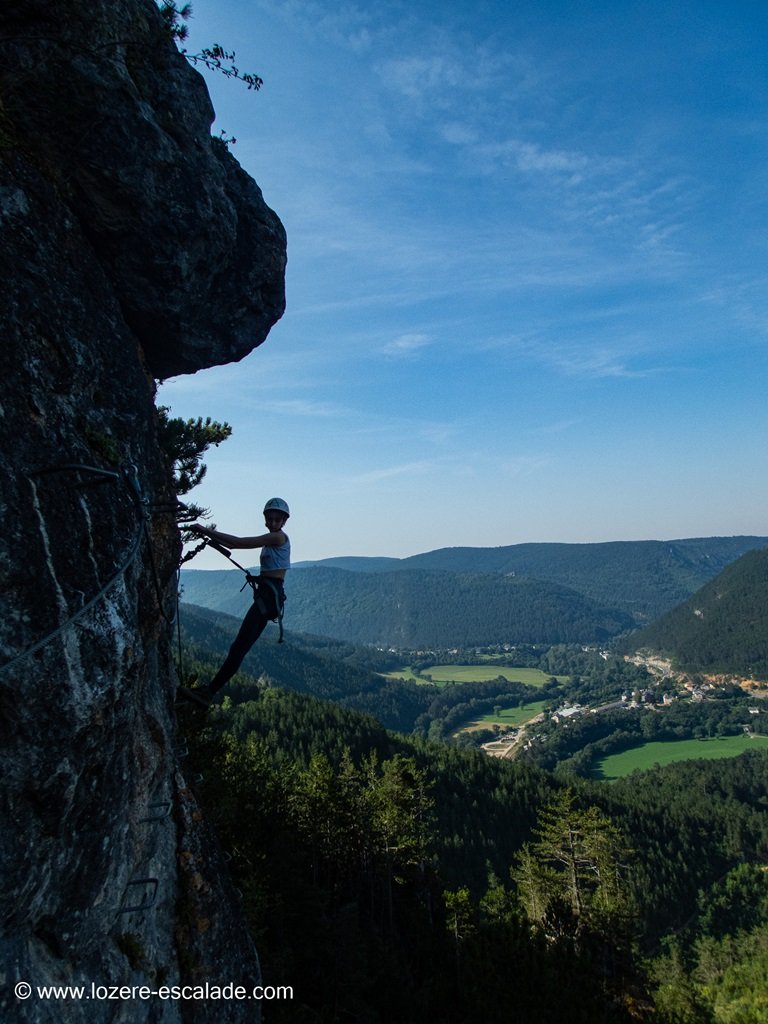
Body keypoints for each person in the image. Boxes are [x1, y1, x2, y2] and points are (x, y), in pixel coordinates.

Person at [178, 497, 291, 708]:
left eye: (278, 519)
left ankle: (208, 693)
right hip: (267, 597)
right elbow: (233, 544)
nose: (274, 522)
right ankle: (208, 691)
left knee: (238, 648)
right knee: (238, 647)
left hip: (267, 598)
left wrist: (205, 530)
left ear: (284, 521)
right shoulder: (273, 539)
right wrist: (208, 535)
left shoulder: (277, 538)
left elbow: (238, 543)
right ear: (266, 519)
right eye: (270, 519)